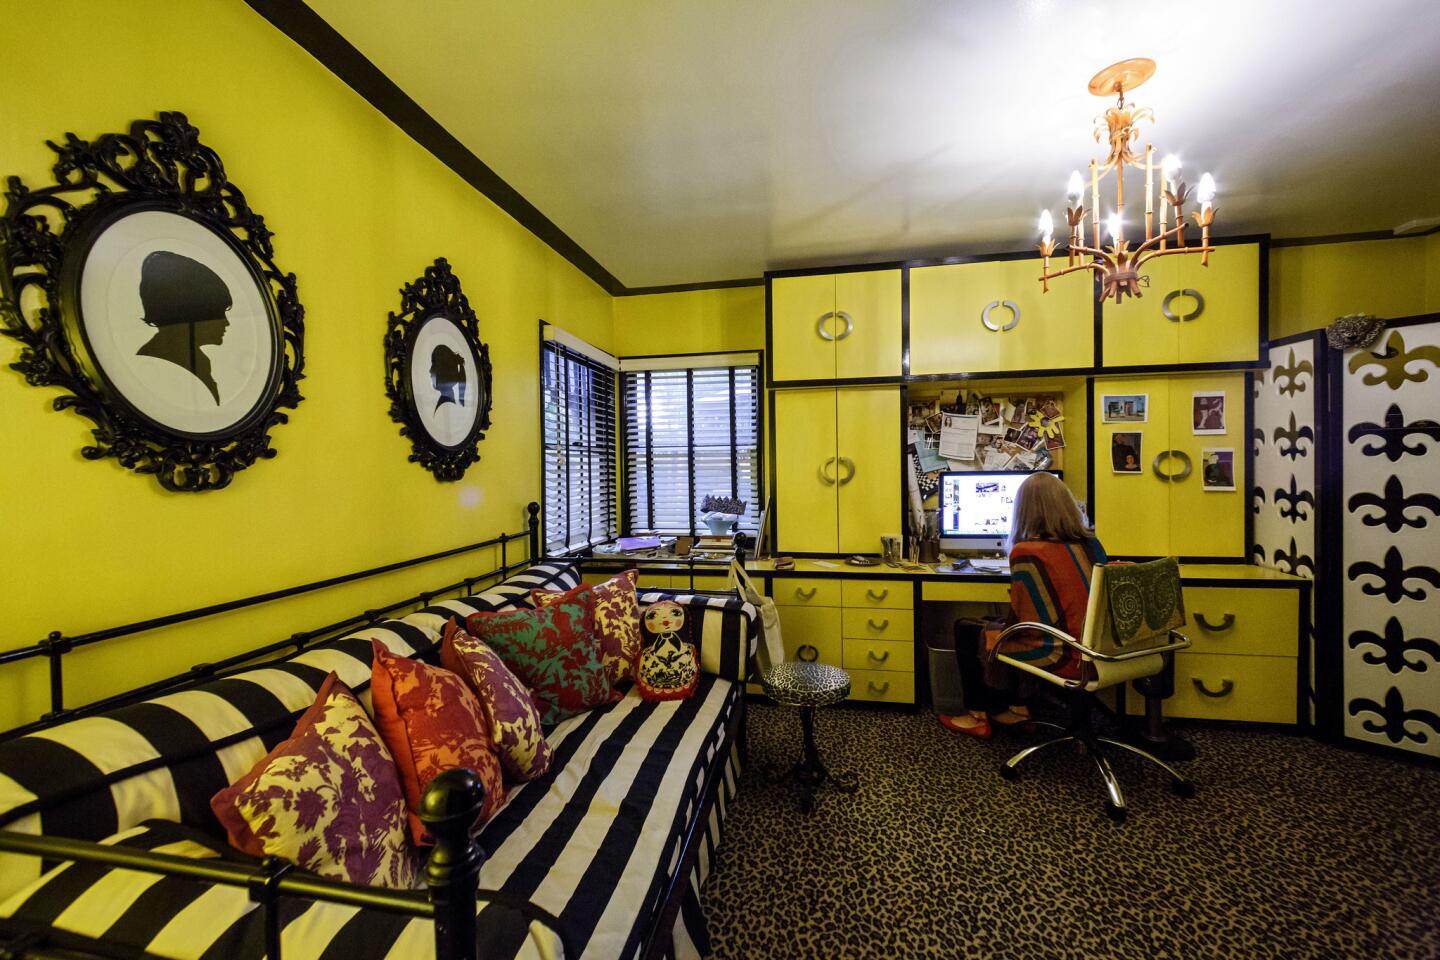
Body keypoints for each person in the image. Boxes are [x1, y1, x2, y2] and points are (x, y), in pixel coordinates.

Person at [939, 472, 1108, 739]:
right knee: (991, 624)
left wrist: (994, 629)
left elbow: (1022, 624)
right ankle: (1015, 707)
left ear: (1023, 510)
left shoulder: (1029, 552)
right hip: (1098, 647)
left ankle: (977, 716)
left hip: (1064, 654)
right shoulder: (1091, 545)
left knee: (969, 629)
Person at [134, 250, 233, 404]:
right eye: (219, 313)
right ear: (197, 314)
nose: (226, 323)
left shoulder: (198, 360)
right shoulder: (159, 361)